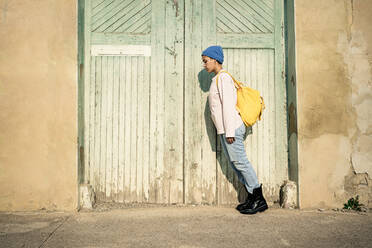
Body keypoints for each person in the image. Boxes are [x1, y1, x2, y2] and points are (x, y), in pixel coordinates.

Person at [202, 45, 268, 215]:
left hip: (232, 129)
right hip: (226, 130)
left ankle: (259, 199)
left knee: (240, 162)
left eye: (206, 61)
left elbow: (228, 107)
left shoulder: (223, 78)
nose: (204, 64)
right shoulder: (217, 78)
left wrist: (230, 132)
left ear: (215, 59)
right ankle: (252, 197)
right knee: (235, 163)